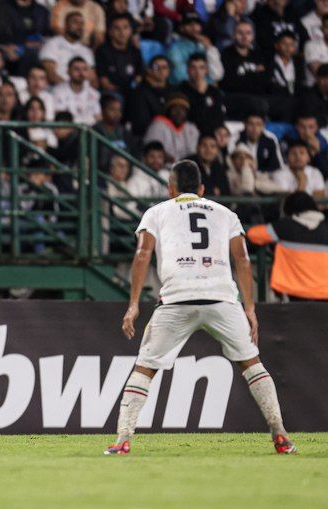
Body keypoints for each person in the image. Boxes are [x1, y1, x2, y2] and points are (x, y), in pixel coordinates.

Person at [110, 160, 297, 456]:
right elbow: (243, 261)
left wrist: (133, 304)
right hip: (221, 298)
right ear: (201, 189)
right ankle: (281, 436)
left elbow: (143, 253)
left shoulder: (156, 212)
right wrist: (250, 308)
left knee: (144, 368)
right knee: (252, 364)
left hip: (176, 299)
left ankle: (122, 439)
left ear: (171, 188)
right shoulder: (226, 214)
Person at [247, 191, 328, 301]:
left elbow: (253, 234)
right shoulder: (325, 228)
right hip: (324, 294)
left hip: (293, 294)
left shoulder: (284, 226)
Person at [39, 11, 95, 85]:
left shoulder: (86, 51)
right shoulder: (53, 44)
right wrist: (70, 89)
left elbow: (93, 79)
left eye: (82, 24)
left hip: (84, 92)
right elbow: (51, 75)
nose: (79, 26)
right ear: (65, 25)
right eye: (75, 22)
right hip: (59, 90)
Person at [95, 13, 143, 97]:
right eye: (117, 28)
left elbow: (139, 77)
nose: (122, 32)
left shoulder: (135, 51)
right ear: (110, 31)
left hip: (131, 92)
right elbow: (105, 83)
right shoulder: (102, 51)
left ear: (131, 30)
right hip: (112, 93)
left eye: (125, 28)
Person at [179, 54, 227, 134]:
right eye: (193, 68)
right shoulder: (180, 91)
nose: (197, 72)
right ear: (187, 70)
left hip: (211, 137)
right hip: (188, 135)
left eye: (201, 68)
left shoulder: (215, 92)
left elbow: (219, 118)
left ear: (206, 70)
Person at [126, 55, 173, 136]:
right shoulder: (139, 92)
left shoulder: (174, 91)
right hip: (148, 136)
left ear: (169, 70)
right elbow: (140, 123)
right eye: (157, 67)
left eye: (164, 67)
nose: (161, 70)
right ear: (149, 70)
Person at [51, 56, 101, 125]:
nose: (81, 73)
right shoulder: (58, 91)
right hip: (68, 130)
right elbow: (59, 117)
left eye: (84, 69)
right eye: (76, 69)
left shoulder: (94, 94)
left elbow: (98, 118)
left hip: (90, 131)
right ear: (68, 71)